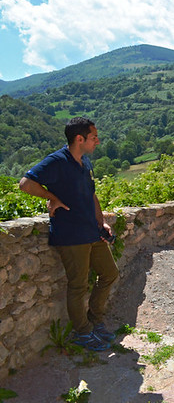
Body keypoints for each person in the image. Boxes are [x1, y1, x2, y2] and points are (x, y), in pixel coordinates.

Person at [19, 117, 118, 351]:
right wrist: (52, 198)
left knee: (110, 274)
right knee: (78, 285)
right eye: (94, 137)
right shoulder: (57, 161)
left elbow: (91, 195)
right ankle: (82, 333)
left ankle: (94, 320)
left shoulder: (84, 162)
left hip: (91, 231)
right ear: (79, 139)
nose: (98, 141)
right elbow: (25, 184)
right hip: (70, 234)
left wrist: (101, 221)